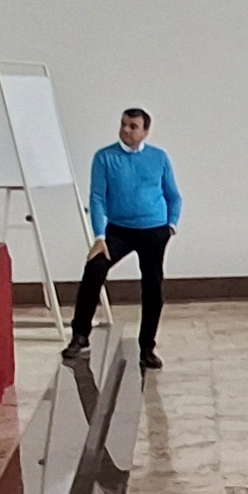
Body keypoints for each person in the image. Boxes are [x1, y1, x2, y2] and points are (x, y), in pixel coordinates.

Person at [66, 105, 181, 365]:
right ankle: (80, 335)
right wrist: (99, 236)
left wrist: (171, 225)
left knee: (152, 287)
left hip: (154, 230)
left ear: (145, 132)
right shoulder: (105, 158)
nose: (126, 131)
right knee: (95, 269)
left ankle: (147, 348)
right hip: (118, 230)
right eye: (123, 124)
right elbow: (97, 198)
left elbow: (173, 195)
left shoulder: (159, 157)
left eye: (133, 127)